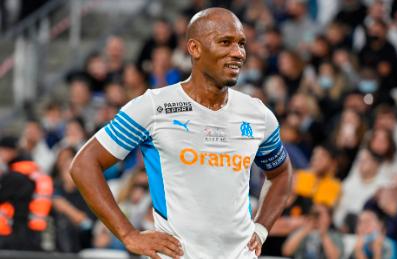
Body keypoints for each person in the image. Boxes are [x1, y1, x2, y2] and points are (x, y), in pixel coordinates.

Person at [70, 7, 292, 259]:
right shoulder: (153, 106)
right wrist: (128, 234)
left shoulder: (257, 114)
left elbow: (281, 173)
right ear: (194, 48)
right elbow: (84, 164)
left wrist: (261, 228)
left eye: (241, 44)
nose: (238, 53)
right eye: (225, 42)